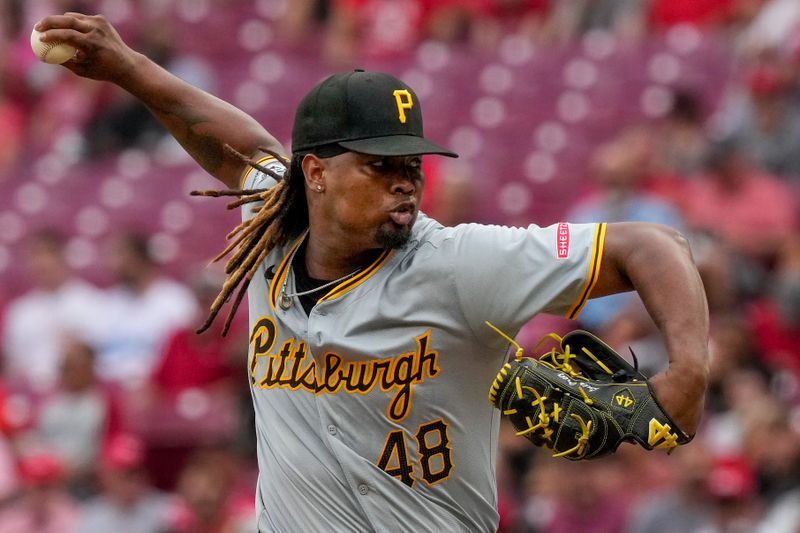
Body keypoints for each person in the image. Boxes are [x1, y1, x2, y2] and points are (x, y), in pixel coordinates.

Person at [36, 12, 710, 532]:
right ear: (316, 173)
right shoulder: (276, 219)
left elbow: (653, 244)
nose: (405, 182)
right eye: (380, 164)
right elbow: (228, 140)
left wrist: (686, 372)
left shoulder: (457, 260)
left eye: (411, 164)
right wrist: (127, 67)